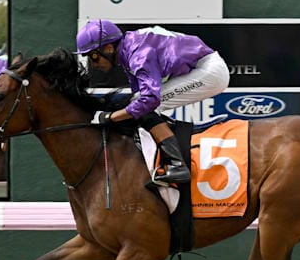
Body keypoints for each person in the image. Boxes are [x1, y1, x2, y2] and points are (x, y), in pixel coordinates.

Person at [73, 19, 231, 186]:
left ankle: (177, 165)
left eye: (93, 56)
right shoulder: (128, 50)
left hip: (210, 72)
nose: (92, 64)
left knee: (146, 106)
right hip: (202, 67)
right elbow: (138, 96)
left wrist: (110, 117)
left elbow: (149, 100)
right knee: (138, 105)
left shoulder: (138, 54)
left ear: (109, 48)